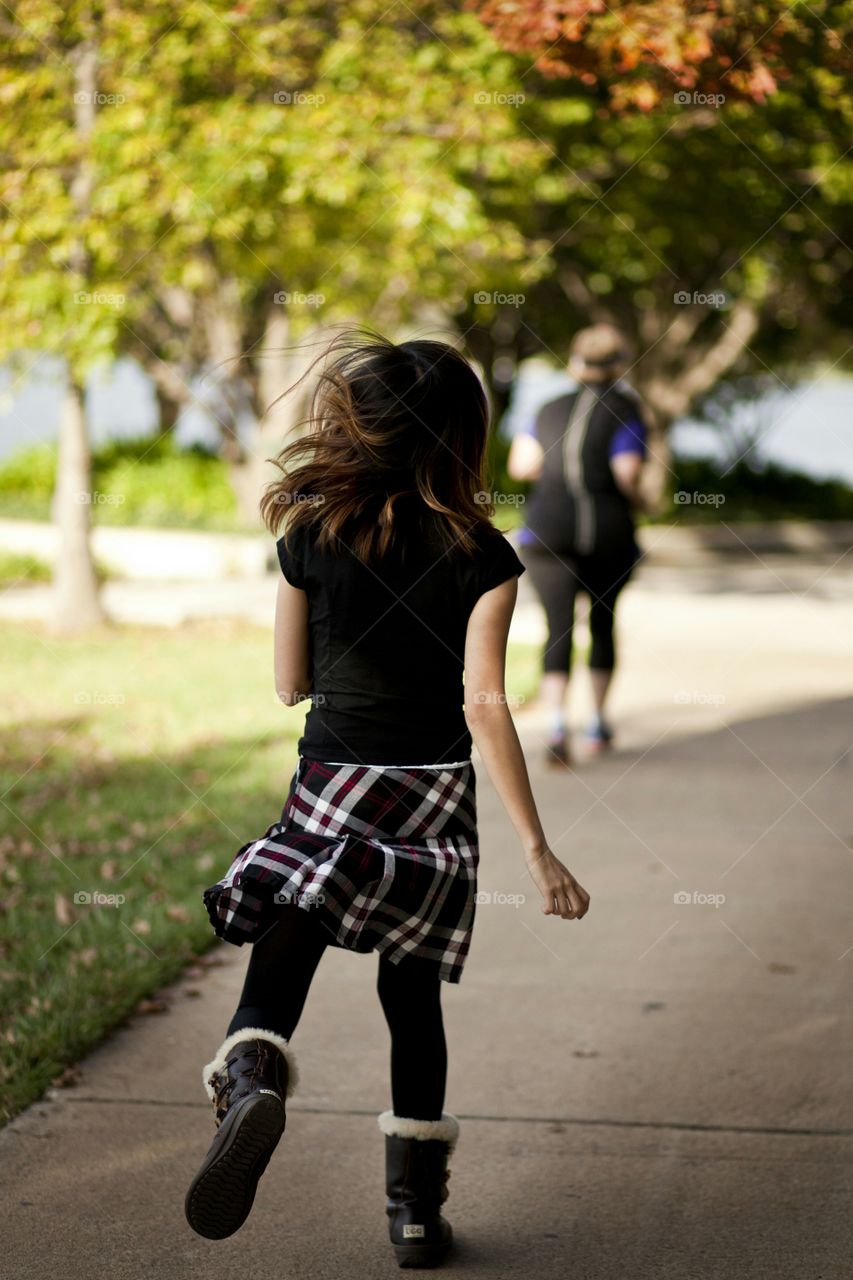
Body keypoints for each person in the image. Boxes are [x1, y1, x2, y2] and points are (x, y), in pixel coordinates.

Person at [184, 331, 591, 1266]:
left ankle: (247, 1081)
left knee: (285, 942)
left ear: (358, 428)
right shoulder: (481, 553)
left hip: (332, 786)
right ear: (461, 437)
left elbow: (289, 682)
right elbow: (482, 706)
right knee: (411, 1000)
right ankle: (413, 1214)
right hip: (431, 803)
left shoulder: (308, 533)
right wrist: (537, 848)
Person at [508, 323, 648, 767]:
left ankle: (555, 724)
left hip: (546, 533)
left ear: (574, 363)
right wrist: (643, 498)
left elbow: (522, 465)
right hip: (607, 534)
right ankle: (598, 723)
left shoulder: (547, 407)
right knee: (603, 623)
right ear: (620, 366)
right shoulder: (628, 409)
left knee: (557, 628)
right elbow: (626, 471)